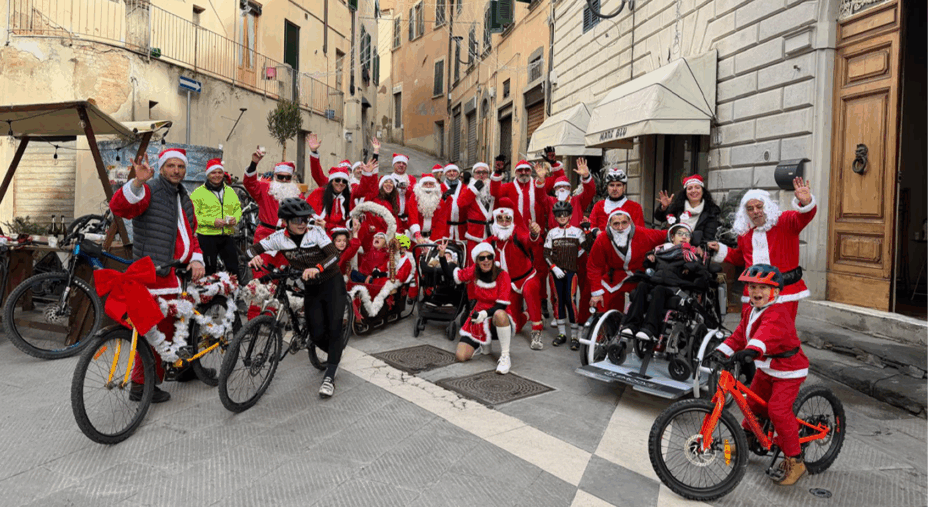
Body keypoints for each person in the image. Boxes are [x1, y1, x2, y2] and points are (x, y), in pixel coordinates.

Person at [110, 148, 207, 403]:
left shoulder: (183, 197)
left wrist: (197, 258)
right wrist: (137, 182)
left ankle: (183, 366)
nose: (176, 170)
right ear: (162, 168)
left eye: (181, 167)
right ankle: (142, 385)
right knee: (154, 333)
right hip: (155, 277)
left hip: (179, 275)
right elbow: (120, 207)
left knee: (178, 323)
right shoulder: (149, 190)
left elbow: (191, 235)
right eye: (171, 166)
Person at [704, 264, 810, 486]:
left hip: (788, 370)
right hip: (767, 367)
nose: (756, 291)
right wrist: (719, 351)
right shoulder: (750, 310)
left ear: (776, 292)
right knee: (752, 403)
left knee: (778, 411)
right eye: (752, 287)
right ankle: (749, 439)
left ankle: (795, 460)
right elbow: (739, 336)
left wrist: (750, 352)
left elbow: (764, 336)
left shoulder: (778, 312)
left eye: (763, 287)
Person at [246, 198, 347, 398]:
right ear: (285, 222)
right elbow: (252, 248)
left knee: (334, 327)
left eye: (305, 218)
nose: (302, 223)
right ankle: (334, 349)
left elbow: (334, 255)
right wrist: (253, 256)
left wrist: (317, 267)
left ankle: (330, 375)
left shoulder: (315, 232)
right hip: (311, 287)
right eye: (296, 220)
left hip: (331, 282)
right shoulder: (278, 237)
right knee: (316, 335)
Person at [708, 177, 816, 320]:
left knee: (778, 333)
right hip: (753, 292)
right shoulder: (745, 233)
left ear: (768, 206)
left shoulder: (785, 221)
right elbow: (741, 258)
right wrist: (720, 250)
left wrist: (806, 202)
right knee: (749, 330)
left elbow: (805, 216)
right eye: (750, 209)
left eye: (759, 206)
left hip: (782, 292)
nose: (755, 211)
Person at [620, 223, 711, 341]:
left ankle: (650, 330)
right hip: (655, 282)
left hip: (674, 289)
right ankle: (631, 326)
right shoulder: (660, 251)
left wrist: (691, 267)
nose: (684, 237)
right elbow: (647, 265)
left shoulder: (691, 256)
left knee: (659, 290)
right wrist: (650, 258)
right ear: (672, 237)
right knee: (642, 286)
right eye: (680, 234)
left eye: (687, 235)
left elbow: (703, 273)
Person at [438, 241, 514, 375]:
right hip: (478, 316)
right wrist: (442, 256)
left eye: (489, 257)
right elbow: (452, 275)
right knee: (461, 356)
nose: (486, 261)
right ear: (477, 261)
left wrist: (484, 314)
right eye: (482, 258)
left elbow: (502, 304)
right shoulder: (474, 271)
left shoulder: (503, 275)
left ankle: (505, 356)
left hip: (495, 315)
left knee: (500, 314)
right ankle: (480, 344)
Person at [487, 198, 545, 350]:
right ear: (495, 220)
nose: (504, 222)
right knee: (516, 327)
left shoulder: (518, 235)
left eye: (508, 219)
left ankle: (537, 329)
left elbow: (530, 241)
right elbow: (479, 254)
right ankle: (527, 314)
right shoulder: (491, 241)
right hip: (509, 285)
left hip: (527, 278)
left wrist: (534, 234)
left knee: (529, 290)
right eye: (500, 219)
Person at [588, 210, 667, 312]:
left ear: (630, 222)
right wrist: (596, 292)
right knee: (600, 302)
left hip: (640, 277)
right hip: (615, 277)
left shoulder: (643, 233)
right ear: (609, 224)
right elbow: (594, 266)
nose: (620, 228)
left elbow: (667, 235)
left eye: (624, 223)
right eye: (616, 224)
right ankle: (609, 325)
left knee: (643, 304)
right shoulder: (602, 239)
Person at [544, 200, 589, 350]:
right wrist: (554, 267)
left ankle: (575, 336)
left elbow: (588, 247)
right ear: (555, 217)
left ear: (570, 216)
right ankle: (562, 334)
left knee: (571, 301)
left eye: (565, 215)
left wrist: (588, 231)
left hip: (571, 273)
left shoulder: (577, 232)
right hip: (556, 272)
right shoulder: (552, 233)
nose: (562, 217)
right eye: (559, 215)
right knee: (558, 301)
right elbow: (546, 253)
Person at [191, 158, 243, 277]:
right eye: (213, 172)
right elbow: (193, 215)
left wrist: (235, 218)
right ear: (208, 174)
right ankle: (207, 295)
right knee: (209, 270)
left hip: (226, 235)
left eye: (220, 172)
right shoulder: (198, 193)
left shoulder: (230, 191)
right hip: (207, 237)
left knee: (233, 269)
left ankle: (233, 293)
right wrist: (212, 222)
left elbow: (237, 208)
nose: (217, 175)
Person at [243, 149, 301, 243]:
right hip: (265, 235)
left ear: (292, 178)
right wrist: (254, 163)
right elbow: (249, 183)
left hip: (289, 237)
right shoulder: (265, 188)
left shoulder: (296, 193)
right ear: (275, 176)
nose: (284, 180)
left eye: (288, 177)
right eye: (281, 177)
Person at [655, 174, 721, 244]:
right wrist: (664, 207)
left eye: (697, 188)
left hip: (696, 250)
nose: (693, 191)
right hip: (674, 247)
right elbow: (660, 217)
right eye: (690, 188)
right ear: (685, 192)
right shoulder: (678, 207)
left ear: (703, 191)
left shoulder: (711, 211)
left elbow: (708, 237)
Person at [409, 173, 450, 242]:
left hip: (433, 238)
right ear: (421, 185)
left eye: (431, 184)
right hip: (415, 237)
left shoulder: (440, 201)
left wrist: (432, 242)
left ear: (435, 186)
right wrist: (418, 235)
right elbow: (413, 217)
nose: (428, 186)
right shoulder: (414, 198)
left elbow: (441, 223)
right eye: (425, 183)